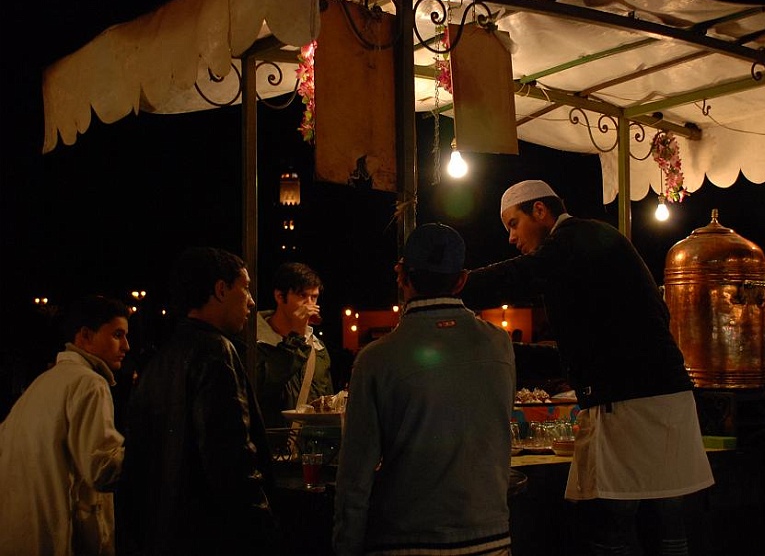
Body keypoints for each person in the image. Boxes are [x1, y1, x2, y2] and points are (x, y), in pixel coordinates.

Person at [461, 180, 714, 555]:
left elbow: (523, 273)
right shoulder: (585, 252)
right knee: (663, 530)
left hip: (633, 406)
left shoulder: (579, 237)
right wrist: (502, 352)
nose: (511, 237)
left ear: (540, 211)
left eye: (513, 224)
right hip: (659, 403)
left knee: (615, 532)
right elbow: (575, 351)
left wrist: (456, 284)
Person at [333, 223, 516, 556]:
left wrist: (346, 544)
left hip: (406, 540)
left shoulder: (375, 359)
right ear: (461, 280)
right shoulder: (499, 344)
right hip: (489, 535)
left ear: (401, 276)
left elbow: (355, 473)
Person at [117, 247, 279, 556]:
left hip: (163, 535)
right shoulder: (215, 351)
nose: (251, 301)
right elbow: (231, 458)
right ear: (220, 290)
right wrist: (263, 530)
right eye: (244, 288)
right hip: (209, 536)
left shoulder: (158, 360)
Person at [0, 295, 131, 556]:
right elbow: (102, 468)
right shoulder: (90, 384)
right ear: (85, 337)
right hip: (62, 540)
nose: (126, 346)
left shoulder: (40, 386)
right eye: (118, 334)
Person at [256, 261, 333, 429]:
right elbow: (264, 386)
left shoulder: (317, 348)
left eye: (314, 297)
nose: (310, 304)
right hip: (270, 446)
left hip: (310, 448)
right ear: (279, 296)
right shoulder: (255, 342)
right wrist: (297, 336)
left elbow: (326, 402)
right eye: (302, 296)